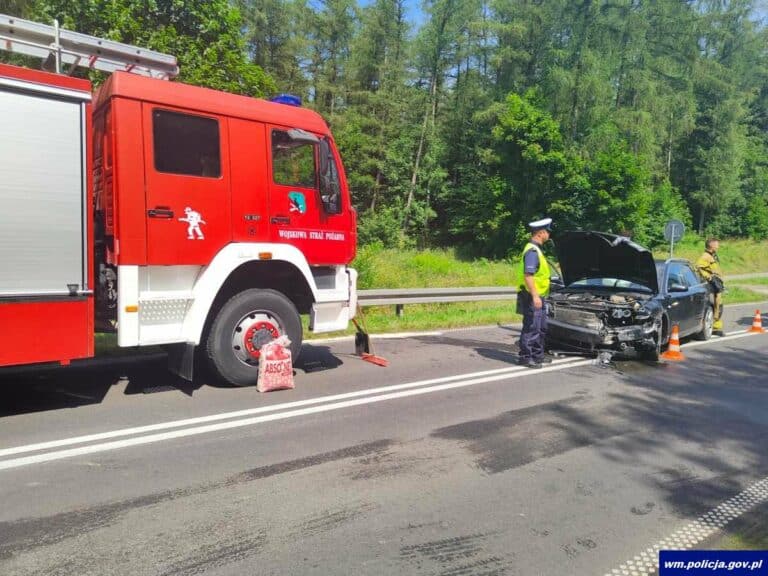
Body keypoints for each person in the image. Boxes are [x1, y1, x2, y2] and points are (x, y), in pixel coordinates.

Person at [516, 217, 553, 368]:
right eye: (548, 232)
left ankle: (537, 355)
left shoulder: (537, 249)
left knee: (541, 327)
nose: (549, 235)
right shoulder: (532, 251)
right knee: (531, 326)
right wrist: (535, 296)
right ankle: (526, 357)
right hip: (532, 296)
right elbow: (528, 275)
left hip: (539, 296)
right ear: (541, 233)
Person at [696, 237, 725, 336]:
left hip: (717, 284)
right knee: (713, 305)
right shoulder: (705, 256)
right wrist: (709, 278)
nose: (718, 246)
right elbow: (699, 267)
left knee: (719, 305)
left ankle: (716, 327)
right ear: (711, 245)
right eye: (717, 244)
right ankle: (711, 327)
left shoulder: (712, 255)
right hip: (711, 285)